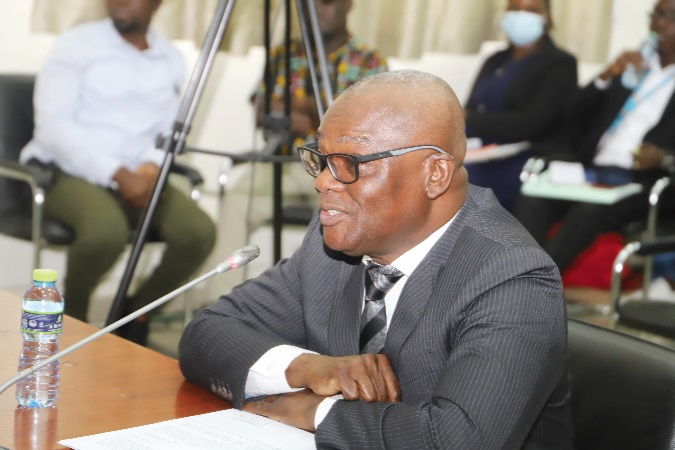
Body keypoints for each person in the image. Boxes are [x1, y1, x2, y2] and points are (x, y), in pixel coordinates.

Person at [179, 70, 572, 448]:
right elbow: (207, 333)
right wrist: (310, 368)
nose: (322, 181)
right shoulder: (333, 243)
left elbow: (454, 439)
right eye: (323, 157)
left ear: (435, 174)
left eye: (350, 163)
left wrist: (315, 410)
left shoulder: (511, 274)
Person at [20, 0, 216, 344]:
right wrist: (118, 174)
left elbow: (168, 129)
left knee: (197, 232)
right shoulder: (77, 44)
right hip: (68, 170)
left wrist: (151, 166)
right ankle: (72, 324)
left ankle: (134, 316)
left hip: (141, 174)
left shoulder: (170, 58)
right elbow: (54, 126)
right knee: (104, 233)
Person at [514, 0, 675, 274]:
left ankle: (536, 287)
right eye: (654, 15)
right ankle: (504, 279)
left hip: (640, 181)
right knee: (533, 201)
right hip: (592, 172)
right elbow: (574, 112)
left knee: (587, 212)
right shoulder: (634, 71)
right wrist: (606, 75)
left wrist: (663, 157)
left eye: (666, 16)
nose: (656, 24)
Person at [463, 0, 577, 211]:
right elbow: (469, 108)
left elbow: (532, 123)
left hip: (522, 158)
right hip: (479, 152)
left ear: (546, 17)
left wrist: (471, 120)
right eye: (514, 9)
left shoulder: (560, 63)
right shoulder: (495, 60)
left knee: (462, 187)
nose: (520, 16)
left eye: (530, 10)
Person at [253, 0, 388, 143]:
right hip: (281, 162)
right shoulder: (281, 55)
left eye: (326, 1)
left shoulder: (370, 61)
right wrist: (322, 114)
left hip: (339, 164)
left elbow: (365, 125)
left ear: (348, 4)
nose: (316, 9)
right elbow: (261, 113)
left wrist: (291, 104)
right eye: (307, 3)